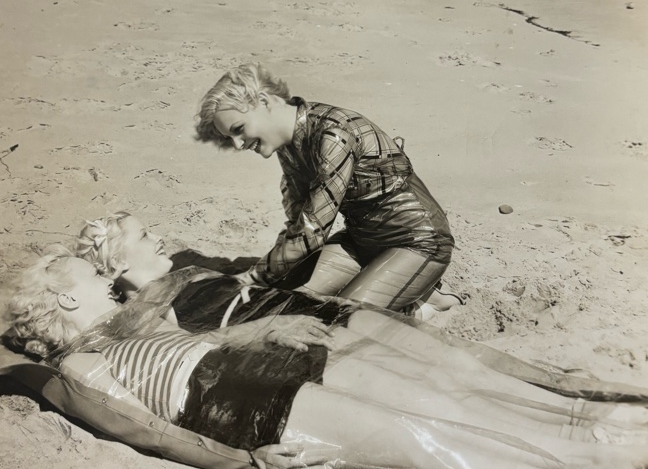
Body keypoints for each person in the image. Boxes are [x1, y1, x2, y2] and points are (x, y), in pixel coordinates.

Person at [4, 245, 648, 469]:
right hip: (236, 403)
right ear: (66, 302)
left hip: (267, 360)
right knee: (418, 439)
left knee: (437, 398)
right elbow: (153, 432)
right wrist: (249, 459)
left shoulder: (130, 327)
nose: (106, 282)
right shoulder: (81, 367)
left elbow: (200, 328)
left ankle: (605, 443)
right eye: (92, 279)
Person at [75, 211, 648, 440]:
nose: (159, 235)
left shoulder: (191, 269)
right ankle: (576, 433)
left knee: (457, 366)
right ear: (119, 264)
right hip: (298, 344)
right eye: (143, 236)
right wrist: (258, 332)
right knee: (438, 390)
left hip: (319, 316)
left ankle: (587, 417)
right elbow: (187, 358)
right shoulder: (144, 312)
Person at [194, 64, 457, 313]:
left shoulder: (334, 133)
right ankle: (410, 289)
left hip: (417, 243)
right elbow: (297, 224)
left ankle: (421, 307)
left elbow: (311, 233)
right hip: (360, 242)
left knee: (341, 316)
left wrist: (252, 276)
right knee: (281, 302)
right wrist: (262, 280)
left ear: (264, 101)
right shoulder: (289, 148)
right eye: (231, 138)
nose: (238, 145)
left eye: (238, 130)